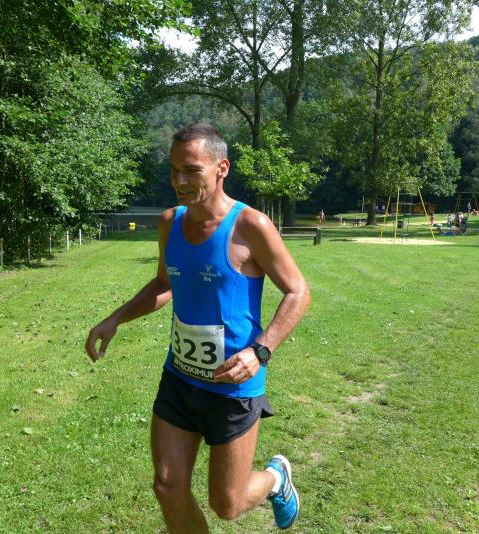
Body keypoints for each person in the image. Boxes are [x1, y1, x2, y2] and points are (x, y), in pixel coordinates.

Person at [85, 124, 310, 532]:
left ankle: (276, 479)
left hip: (233, 386)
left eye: (191, 170)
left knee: (228, 503)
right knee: (167, 487)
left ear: (222, 168)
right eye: (174, 170)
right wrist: (115, 318)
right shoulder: (170, 223)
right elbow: (164, 284)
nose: (180, 181)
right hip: (180, 377)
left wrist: (260, 351)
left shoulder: (250, 226)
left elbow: (298, 292)